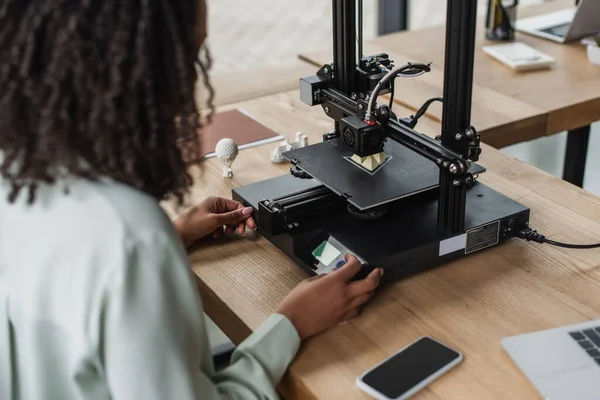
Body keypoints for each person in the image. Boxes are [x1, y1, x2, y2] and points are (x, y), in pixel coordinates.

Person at [0, 1, 383, 399]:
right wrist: (292, 322)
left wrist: (173, 234)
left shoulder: (17, 170)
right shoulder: (129, 238)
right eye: (190, 55)